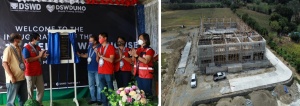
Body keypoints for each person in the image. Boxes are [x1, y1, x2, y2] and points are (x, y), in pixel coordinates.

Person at [22, 33, 48, 106]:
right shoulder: (26, 48)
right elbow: (27, 60)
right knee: (30, 91)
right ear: (33, 39)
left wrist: (43, 56)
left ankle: (38, 103)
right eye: (38, 39)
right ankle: (30, 104)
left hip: (38, 72)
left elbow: (40, 57)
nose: (39, 40)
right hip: (30, 73)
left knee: (41, 89)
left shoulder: (38, 47)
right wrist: (39, 56)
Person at [2, 33, 28, 106]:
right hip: (13, 80)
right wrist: (11, 76)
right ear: (15, 40)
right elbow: (4, 63)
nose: (21, 40)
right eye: (20, 39)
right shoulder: (8, 49)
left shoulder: (19, 48)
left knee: (23, 100)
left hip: (22, 77)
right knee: (11, 102)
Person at [77, 35, 102, 105]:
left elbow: (101, 57)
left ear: (95, 41)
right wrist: (80, 55)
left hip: (97, 69)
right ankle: (93, 99)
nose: (90, 42)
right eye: (89, 41)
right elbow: (88, 55)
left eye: (91, 41)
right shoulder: (89, 47)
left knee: (99, 85)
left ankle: (99, 99)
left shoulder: (100, 47)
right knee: (91, 85)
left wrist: (97, 53)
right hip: (90, 68)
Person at [129, 33, 155, 97]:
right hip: (138, 74)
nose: (139, 40)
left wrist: (136, 56)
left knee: (147, 93)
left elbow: (146, 61)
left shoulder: (149, 50)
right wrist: (132, 54)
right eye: (139, 39)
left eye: (140, 39)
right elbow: (133, 60)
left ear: (145, 40)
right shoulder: (138, 49)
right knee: (141, 94)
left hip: (146, 75)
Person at [96, 33, 115, 106]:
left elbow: (111, 60)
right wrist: (97, 55)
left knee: (110, 88)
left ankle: (111, 103)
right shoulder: (99, 48)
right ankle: (104, 103)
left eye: (100, 37)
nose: (99, 39)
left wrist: (102, 56)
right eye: (99, 38)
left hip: (108, 71)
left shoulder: (110, 47)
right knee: (103, 89)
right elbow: (97, 60)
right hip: (100, 71)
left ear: (105, 38)